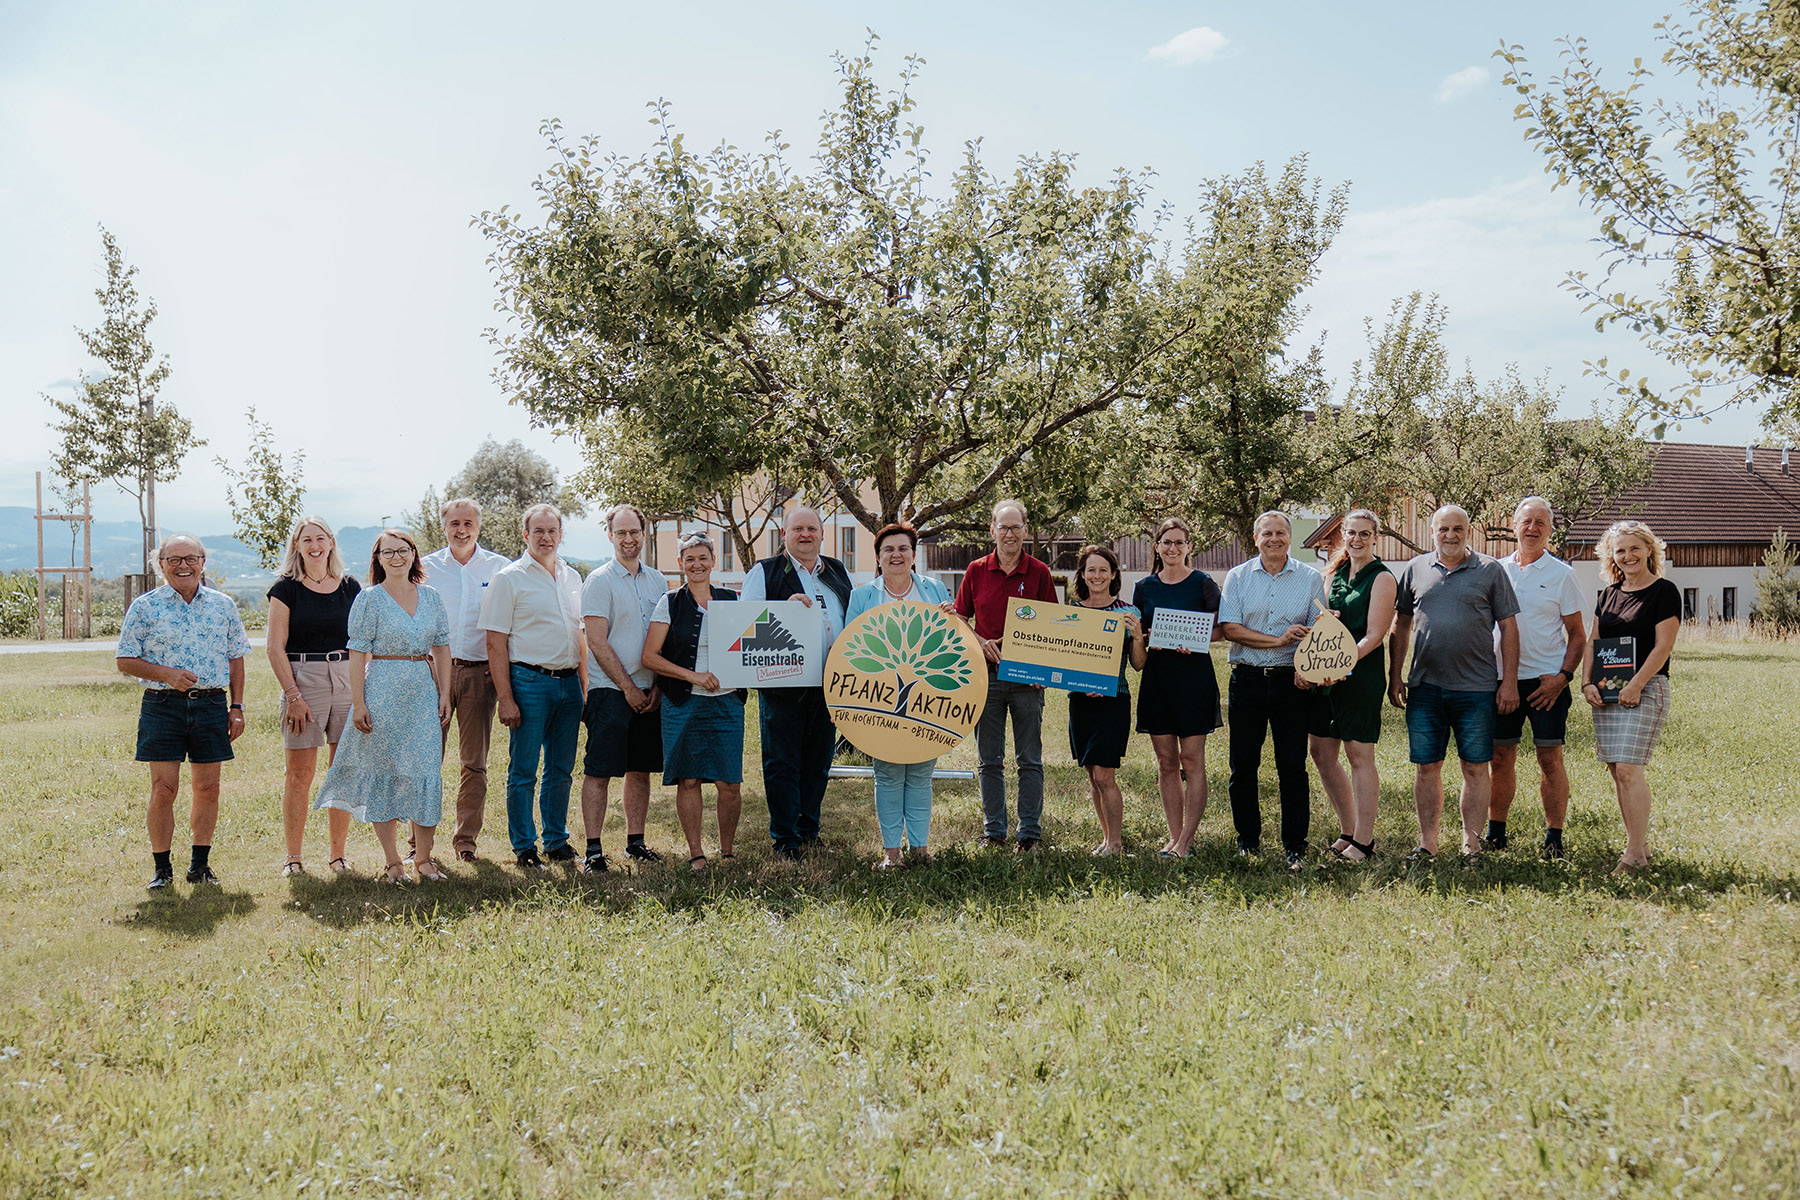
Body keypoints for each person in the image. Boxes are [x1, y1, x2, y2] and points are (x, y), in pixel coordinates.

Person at [313, 530, 452, 884]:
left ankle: (423, 859)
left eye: (402, 550)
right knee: (386, 775)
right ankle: (393, 862)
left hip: (423, 690)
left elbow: (442, 647)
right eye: (387, 552)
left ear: (413, 555)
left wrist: (445, 693)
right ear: (378, 559)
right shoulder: (369, 599)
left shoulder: (432, 597)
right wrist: (358, 702)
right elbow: (357, 654)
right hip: (382, 691)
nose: (396, 557)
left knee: (424, 772)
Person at [115, 535, 250, 890]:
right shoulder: (145, 607)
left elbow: (236, 658)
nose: (183, 566)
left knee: (208, 787)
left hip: (210, 704)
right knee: (163, 789)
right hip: (163, 706)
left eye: (190, 558)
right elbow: (124, 660)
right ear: (160, 566)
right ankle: (162, 869)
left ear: (202, 562)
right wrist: (167, 675)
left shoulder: (224, 606)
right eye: (173, 560)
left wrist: (236, 707)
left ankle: (199, 866)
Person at [1388, 505, 1521, 861]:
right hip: (1425, 687)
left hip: (1477, 688)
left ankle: (1471, 843)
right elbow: (1401, 625)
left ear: (1468, 531)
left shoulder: (1491, 571)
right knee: (1426, 766)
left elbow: (1509, 628)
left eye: (1457, 528)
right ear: (1432, 532)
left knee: (1475, 766)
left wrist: (1509, 682)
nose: (1450, 535)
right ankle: (1427, 843)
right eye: (1443, 528)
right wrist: (1394, 676)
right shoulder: (1414, 569)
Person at [479, 504, 587, 871]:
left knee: (561, 768)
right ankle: (525, 846)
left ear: (561, 535)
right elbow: (494, 643)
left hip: (569, 684)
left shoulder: (572, 578)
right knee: (524, 770)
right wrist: (505, 698)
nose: (545, 537)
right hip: (528, 683)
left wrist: (584, 690)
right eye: (537, 531)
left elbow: (580, 637)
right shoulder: (509, 579)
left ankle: (556, 841)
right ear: (525, 535)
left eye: (552, 531)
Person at [1217, 512, 1328, 869]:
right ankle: (1247, 841)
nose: (1274, 538)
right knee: (1243, 766)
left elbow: (1318, 628)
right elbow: (1231, 628)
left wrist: (1305, 668)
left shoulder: (1311, 578)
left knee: (1292, 766)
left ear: (1290, 537)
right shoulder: (1237, 576)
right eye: (1267, 533)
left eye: (1280, 533)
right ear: (1256, 537)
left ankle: (1295, 844)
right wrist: (1276, 640)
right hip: (1247, 679)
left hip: (1291, 683)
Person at [740, 504, 850, 860]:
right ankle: (785, 838)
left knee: (819, 761)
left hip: (830, 684)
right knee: (782, 762)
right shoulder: (765, 571)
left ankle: (809, 830)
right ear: (783, 534)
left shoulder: (836, 570)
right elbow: (747, 624)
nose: (805, 535)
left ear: (822, 534)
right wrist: (783, 609)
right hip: (783, 685)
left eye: (812, 529)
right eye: (797, 529)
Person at [843, 523, 954, 868]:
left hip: (927, 693)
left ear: (913, 554)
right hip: (879, 696)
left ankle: (920, 850)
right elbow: (848, 650)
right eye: (888, 549)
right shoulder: (862, 596)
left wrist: (953, 620)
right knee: (888, 773)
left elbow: (953, 642)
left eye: (903, 548)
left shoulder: (935, 590)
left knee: (921, 773)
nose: (896, 555)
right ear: (878, 557)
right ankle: (892, 852)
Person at [953, 499, 1060, 851]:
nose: (1010, 533)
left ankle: (1029, 834)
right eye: (1004, 527)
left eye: (1016, 527)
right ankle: (994, 832)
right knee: (989, 759)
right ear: (992, 530)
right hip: (987, 678)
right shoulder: (976, 571)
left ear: (1025, 531)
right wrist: (981, 643)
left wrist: (1043, 668)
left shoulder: (1040, 573)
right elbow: (960, 620)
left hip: (1027, 679)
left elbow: (1054, 627)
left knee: (1029, 759)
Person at [1489, 496, 1588, 859]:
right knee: (1500, 758)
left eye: (1540, 524)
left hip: (1547, 683)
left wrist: (1563, 677)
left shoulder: (1562, 574)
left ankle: (1554, 839)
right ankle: (1496, 834)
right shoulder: (1496, 571)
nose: (1532, 529)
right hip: (1502, 681)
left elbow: (1578, 634)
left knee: (1549, 759)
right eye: (1526, 522)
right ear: (1514, 526)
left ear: (1550, 531)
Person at [1580, 520, 1681, 873]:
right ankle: (1639, 845)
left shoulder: (1664, 591)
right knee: (1617, 770)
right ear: (1612, 555)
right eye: (1620, 550)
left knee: (1628, 768)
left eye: (1634, 548)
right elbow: (1593, 641)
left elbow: (1664, 645)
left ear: (1649, 550)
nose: (1628, 556)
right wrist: (1586, 682)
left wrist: (1636, 684)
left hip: (1646, 689)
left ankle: (1634, 854)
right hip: (1607, 693)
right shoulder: (1607, 595)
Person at [641, 532, 744, 868]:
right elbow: (650, 657)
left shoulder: (733, 599)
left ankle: (727, 852)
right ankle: (696, 852)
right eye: (690, 559)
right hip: (682, 702)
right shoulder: (669, 602)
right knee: (688, 778)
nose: (697, 564)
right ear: (680, 564)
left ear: (714, 561)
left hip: (727, 702)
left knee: (729, 782)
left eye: (703, 558)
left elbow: (766, 629)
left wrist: (792, 607)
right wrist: (694, 676)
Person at [265, 516, 359, 876]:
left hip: (347, 678)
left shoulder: (351, 586)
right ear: (297, 546)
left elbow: (363, 641)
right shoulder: (285, 589)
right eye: (307, 540)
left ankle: (337, 856)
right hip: (303, 680)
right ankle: (293, 858)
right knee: (299, 774)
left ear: (331, 542)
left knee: (343, 770)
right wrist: (293, 695)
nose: (314, 545)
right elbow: (275, 648)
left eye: (320, 538)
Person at [578, 502, 669, 873]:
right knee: (599, 771)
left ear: (643, 534)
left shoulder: (658, 581)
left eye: (634, 532)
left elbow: (664, 638)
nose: (628, 539)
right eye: (621, 533)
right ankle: (594, 850)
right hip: (611, 693)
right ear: (610, 535)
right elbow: (597, 643)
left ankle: (636, 842)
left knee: (640, 770)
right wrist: (629, 687)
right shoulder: (599, 581)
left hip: (650, 692)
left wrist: (658, 686)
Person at [1305, 509, 1395, 864]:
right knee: (1321, 752)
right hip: (1326, 674)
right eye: (1351, 533)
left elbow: (1375, 634)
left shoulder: (1383, 578)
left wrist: (1341, 663)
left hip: (1360, 674)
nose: (1357, 540)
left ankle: (1365, 841)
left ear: (1376, 537)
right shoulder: (1333, 574)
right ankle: (1347, 829)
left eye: (1364, 534)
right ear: (1343, 535)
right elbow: (1325, 623)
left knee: (1359, 756)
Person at [421, 497, 509, 862]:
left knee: (475, 762)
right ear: (444, 526)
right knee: (426, 760)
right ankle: (418, 843)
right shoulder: (424, 568)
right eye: (454, 523)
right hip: (432, 674)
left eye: (468, 523)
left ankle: (465, 842)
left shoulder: (500, 569)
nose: (461, 529)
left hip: (479, 674)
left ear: (478, 525)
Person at [1130, 517, 1223, 859]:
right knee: (1166, 761)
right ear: (1157, 547)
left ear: (1189, 547)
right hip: (1158, 679)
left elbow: (1220, 630)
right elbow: (1138, 638)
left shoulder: (1203, 583)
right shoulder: (1144, 588)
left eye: (1179, 543)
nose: (1172, 548)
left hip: (1193, 679)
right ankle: (1174, 837)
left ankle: (1187, 840)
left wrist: (1194, 639)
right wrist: (1143, 636)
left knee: (1191, 759)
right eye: (1166, 542)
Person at [1067, 545, 1146, 857]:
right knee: (1091, 774)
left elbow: (1139, 664)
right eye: (1091, 570)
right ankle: (1105, 840)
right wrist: (1080, 683)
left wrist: (1138, 636)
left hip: (1114, 701)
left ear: (1114, 574)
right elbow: (1064, 659)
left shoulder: (1129, 613)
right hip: (1080, 702)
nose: (1096, 576)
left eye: (1103, 570)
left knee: (1105, 775)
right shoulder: (1073, 612)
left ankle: (1116, 843)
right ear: (1083, 575)